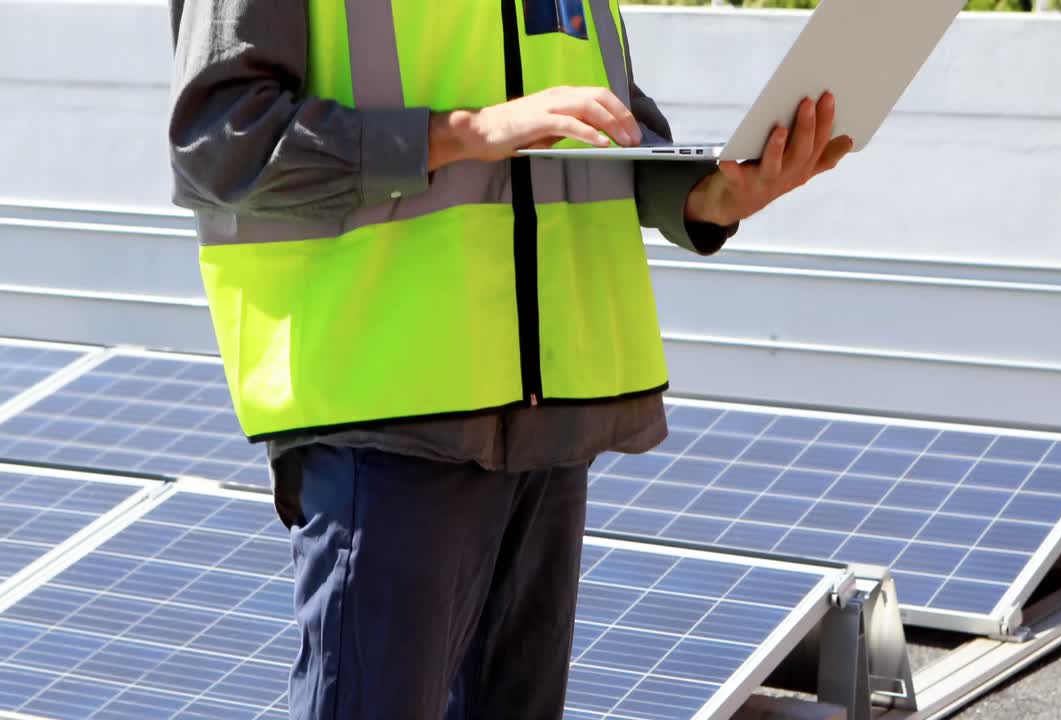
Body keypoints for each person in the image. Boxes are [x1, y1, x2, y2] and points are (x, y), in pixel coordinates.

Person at [166, 0, 852, 717]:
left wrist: (711, 193)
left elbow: (607, 123)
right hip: (387, 407)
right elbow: (222, 142)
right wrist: (465, 132)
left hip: (551, 414)